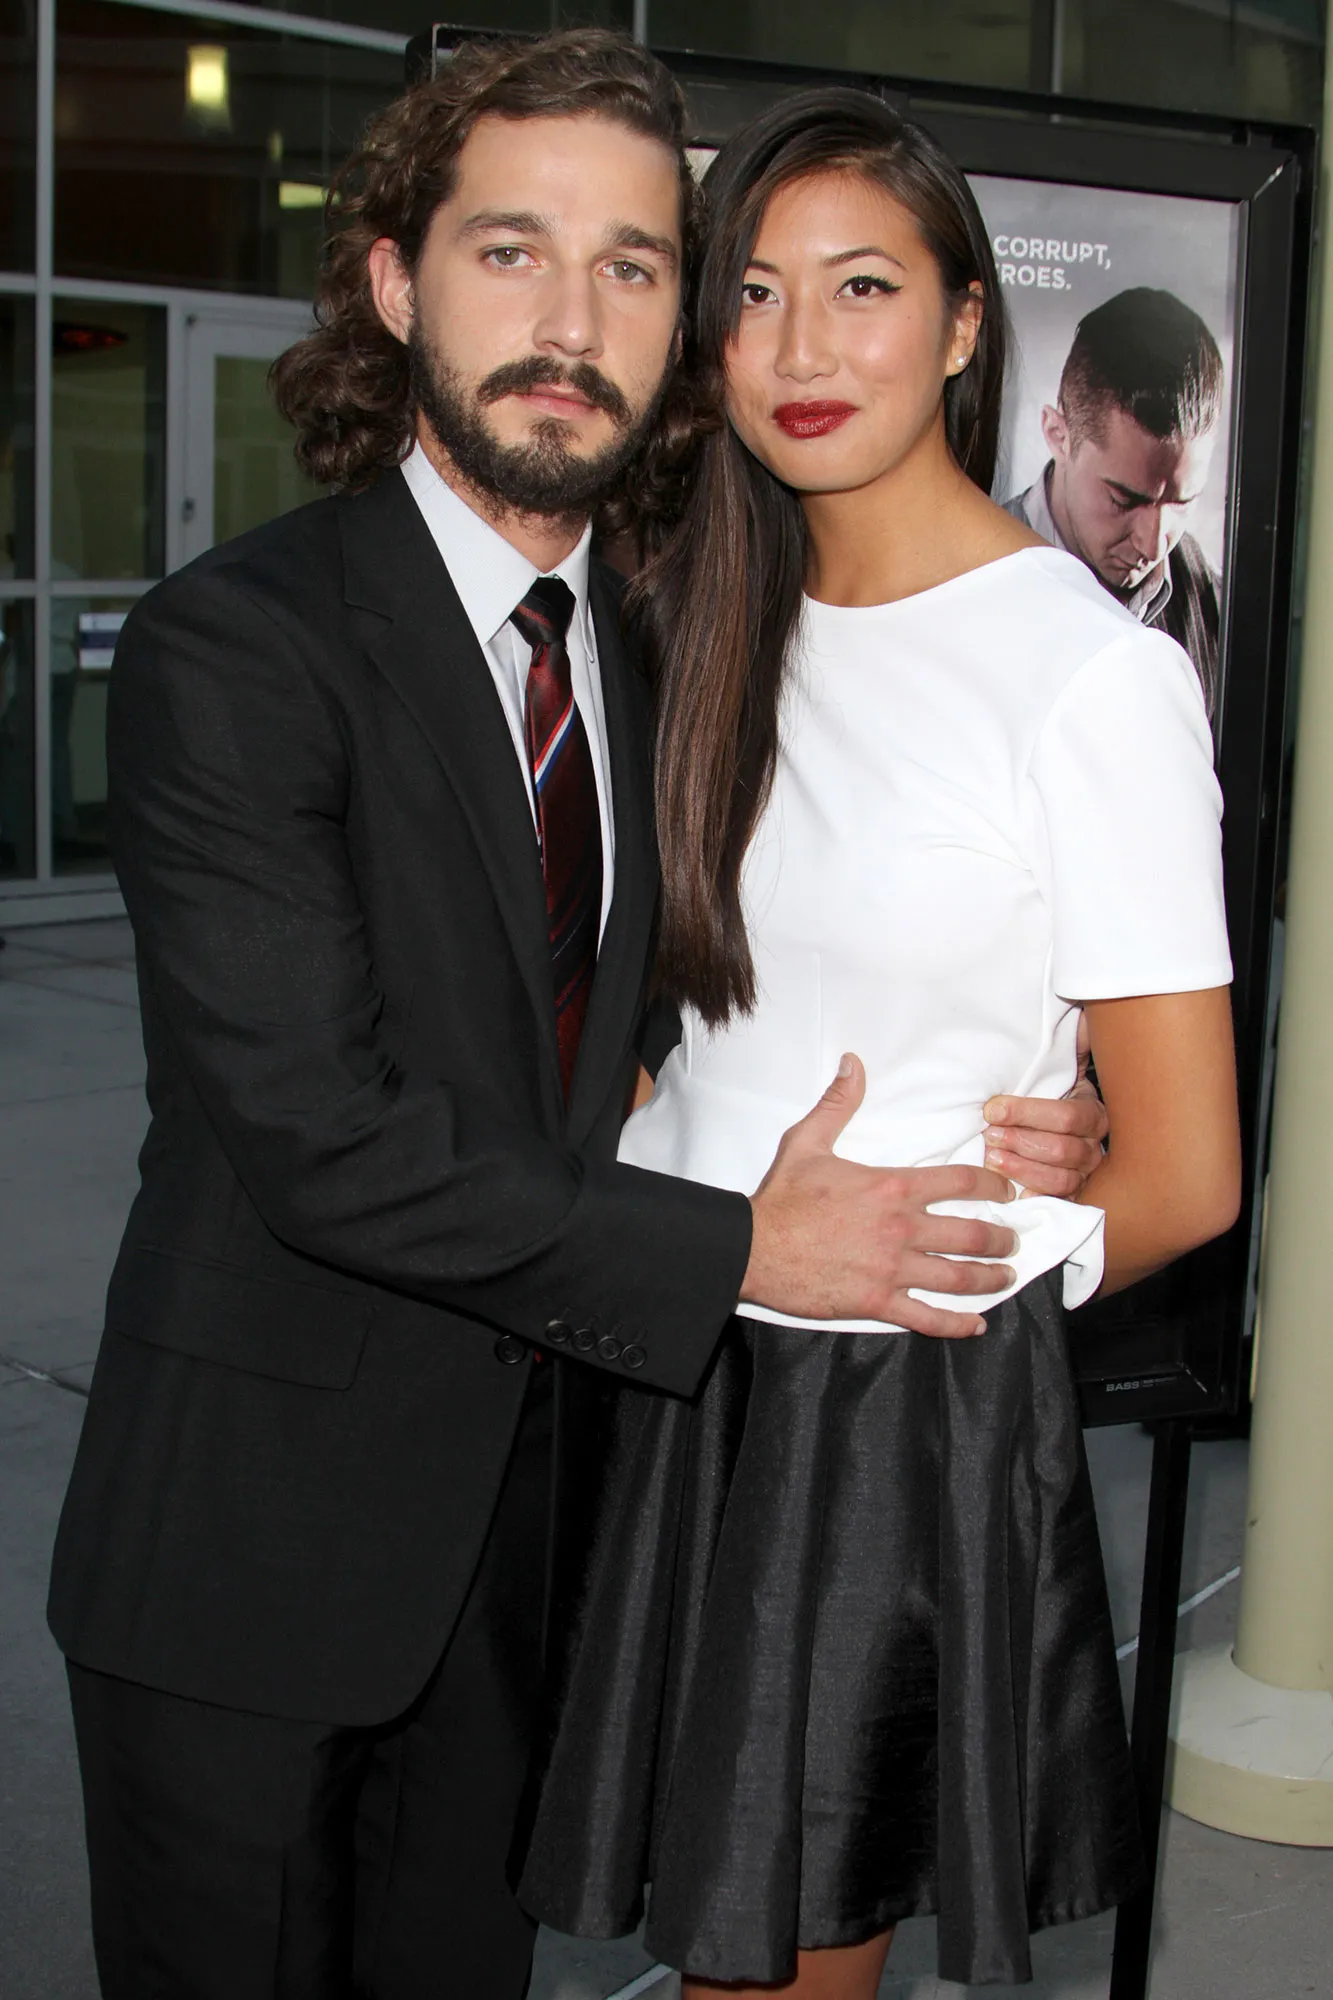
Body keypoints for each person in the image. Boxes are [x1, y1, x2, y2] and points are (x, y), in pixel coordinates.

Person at [44, 35, 1106, 2000]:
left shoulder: (668, 644)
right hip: (249, 1566)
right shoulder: (239, 648)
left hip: (536, 1561)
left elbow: (760, 988)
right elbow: (321, 1135)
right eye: (509, 251)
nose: (568, 321)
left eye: (630, 266)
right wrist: (740, 1248)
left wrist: (1044, 1099)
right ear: (394, 282)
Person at [519, 90, 1241, 1998]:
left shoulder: (1085, 678)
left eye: (860, 287)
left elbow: (1184, 1172)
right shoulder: (696, 613)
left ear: (962, 323)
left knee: (769, 1971)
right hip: (668, 1338)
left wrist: (957, 1266)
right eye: (754, 293)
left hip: (871, 1415)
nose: (802, 347)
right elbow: (669, 1009)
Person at [1005, 286, 1225, 722]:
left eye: (1182, 503)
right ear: (1058, 436)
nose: (1153, 545)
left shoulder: (1216, 607)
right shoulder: (966, 582)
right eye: (1124, 500)